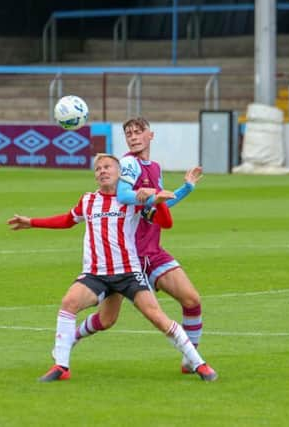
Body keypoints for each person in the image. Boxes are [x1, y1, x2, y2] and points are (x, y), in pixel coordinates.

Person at [7, 154, 217, 382]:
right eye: (98, 169)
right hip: (96, 274)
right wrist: (32, 222)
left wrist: (156, 201)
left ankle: (199, 364)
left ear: (119, 173)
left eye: (107, 167)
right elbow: (68, 220)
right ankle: (61, 367)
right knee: (70, 303)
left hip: (128, 272)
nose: (102, 172)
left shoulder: (132, 201)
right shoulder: (88, 200)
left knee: (156, 316)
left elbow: (166, 223)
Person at [74, 117, 206, 374]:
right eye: (129, 134)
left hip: (153, 251)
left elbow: (160, 204)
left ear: (150, 135)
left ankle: (191, 361)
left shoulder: (154, 167)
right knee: (106, 319)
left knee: (191, 300)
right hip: (127, 255)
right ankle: (72, 337)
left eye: (138, 132)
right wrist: (150, 196)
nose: (133, 137)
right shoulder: (128, 164)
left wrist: (186, 188)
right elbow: (124, 196)